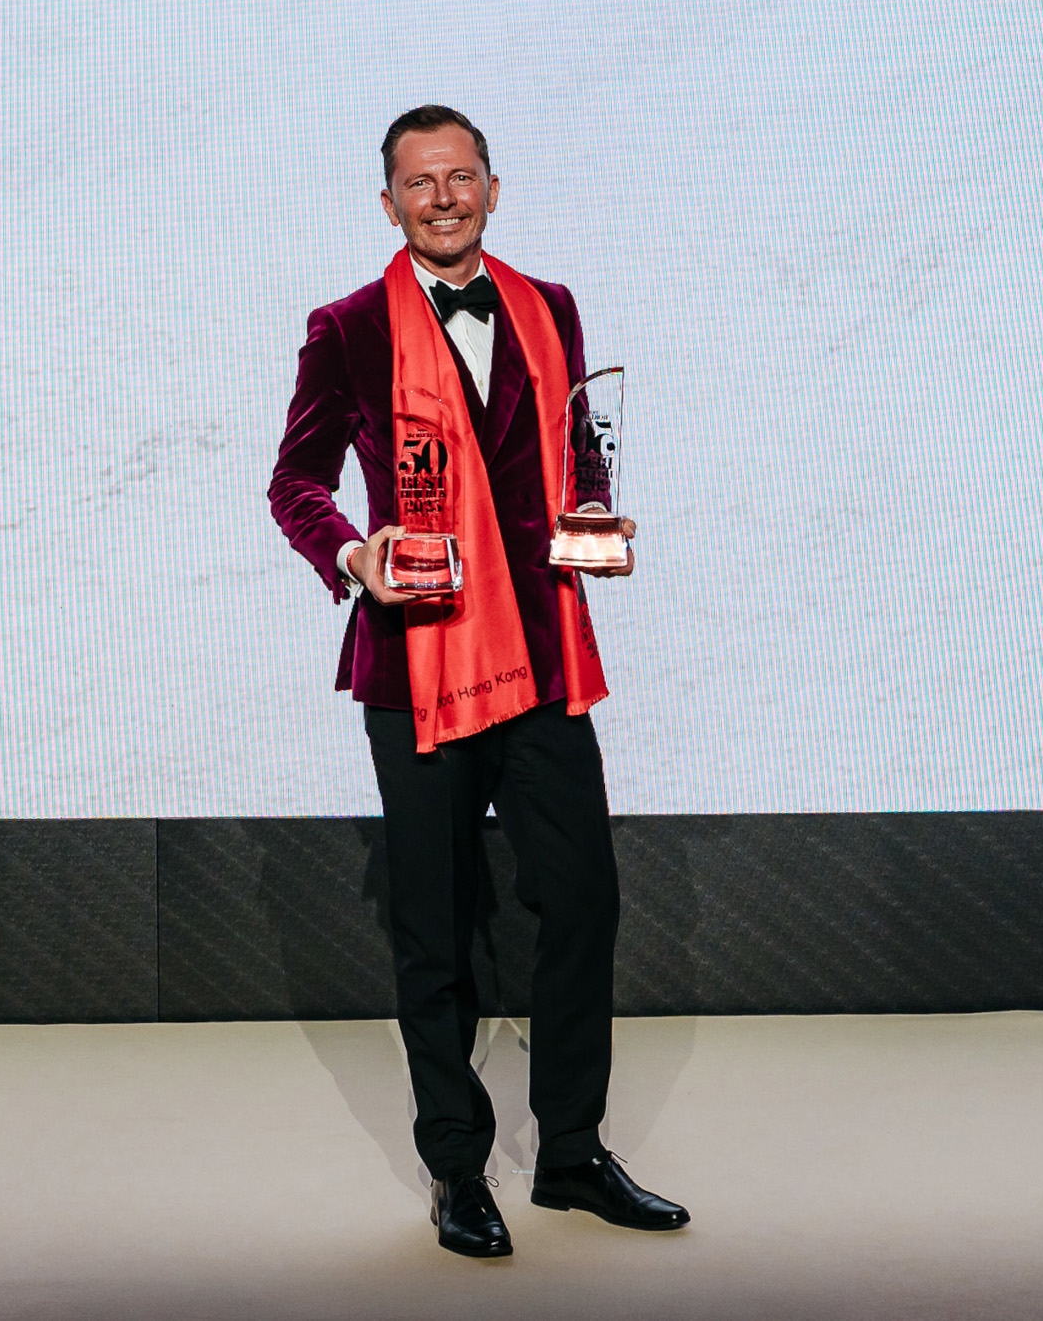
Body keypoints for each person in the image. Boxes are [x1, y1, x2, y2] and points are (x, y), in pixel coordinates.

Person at [267, 104, 690, 1259]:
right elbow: (295, 482)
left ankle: (572, 1153)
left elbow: (574, 445)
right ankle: (457, 1166)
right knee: (435, 927)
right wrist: (352, 557)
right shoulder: (348, 328)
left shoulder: (550, 306)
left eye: (461, 178)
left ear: (493, 189)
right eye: (420, 182)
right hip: (419, 666)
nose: (443, 198)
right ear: (388, 203)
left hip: (543, 657)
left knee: (583, 901)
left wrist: (591, 510)